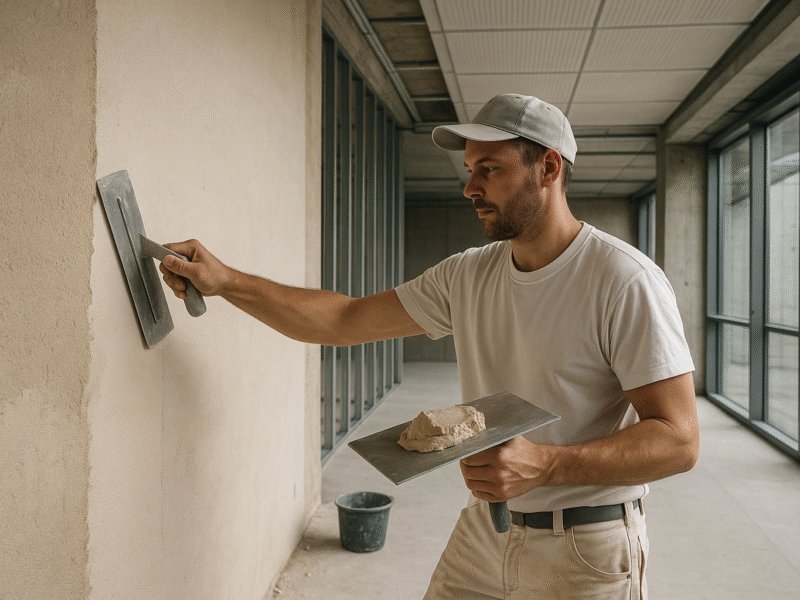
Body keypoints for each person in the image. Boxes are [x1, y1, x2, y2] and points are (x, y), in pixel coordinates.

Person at [159, 93, 699, 599]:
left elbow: (679, 440)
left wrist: (548, 464)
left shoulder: (623, 281)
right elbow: (343, 320)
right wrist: (227, 281)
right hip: (486, 529)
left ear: (549, 168)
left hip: (586, 548)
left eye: (489, 170)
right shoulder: (469, 274)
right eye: (470, 171)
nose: (470, 188)